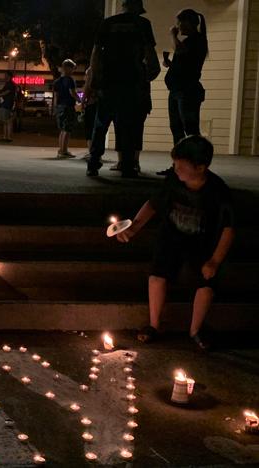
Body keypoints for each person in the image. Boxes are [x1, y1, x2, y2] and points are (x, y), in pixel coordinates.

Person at [117, 136, 234, 351]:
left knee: (205, 285)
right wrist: (133, 228)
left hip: (202, 242)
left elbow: (228, 229)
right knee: (157, 276)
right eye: (174, 164)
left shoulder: (218, 192)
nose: (176, 169)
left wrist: (215, 261)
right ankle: (154, 324)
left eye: (181, 166)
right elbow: (153, 204)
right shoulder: (173, 181)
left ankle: (196, 330)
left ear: (200, 167)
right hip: (171, 236)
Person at [85, 0, 160, 178]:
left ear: (123, 6)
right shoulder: (143, 24)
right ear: (137, 8)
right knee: (127, 123)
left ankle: (93, 162)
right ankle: (127, 165)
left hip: (109, 81)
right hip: (132, 81)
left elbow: (96, 52)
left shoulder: (108, 23)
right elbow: (150, 52)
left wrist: (94, 79)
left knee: (101, 123)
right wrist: (151, 73)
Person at [158, 9, 208, 176]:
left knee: (190, 129)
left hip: (187, 91)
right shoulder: (189, 41)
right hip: (176, 90)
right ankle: (178, 167)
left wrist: (173, 35)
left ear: (189, 22)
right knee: (177, 129)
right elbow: (184, 65)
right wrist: (169, 63)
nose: (178, 26)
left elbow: (180, 51)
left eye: (180, 22)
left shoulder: (197, 40)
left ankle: (197, 166)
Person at [53, 59, 80, 158]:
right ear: (67, 68)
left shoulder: (57, 81)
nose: (73, 70)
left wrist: (55, 108)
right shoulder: (70, 80)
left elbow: (56, 96)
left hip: (59, 106)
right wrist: (80, 100)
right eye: (72, 68)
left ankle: (61, 150)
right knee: (67, 129)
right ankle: (64, 151)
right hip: (68, 106)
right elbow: (72, 93)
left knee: (62, 129)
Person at [0, 70, 16, 143]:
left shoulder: (10, 84)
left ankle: (8, 137)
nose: (4, 76)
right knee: (6, 121)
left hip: (7, 105)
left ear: (9, 76)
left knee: (7, 121)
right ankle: (5, 137)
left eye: (6, 75)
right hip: (6, 104)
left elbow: (6, 92)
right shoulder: (8, 84)